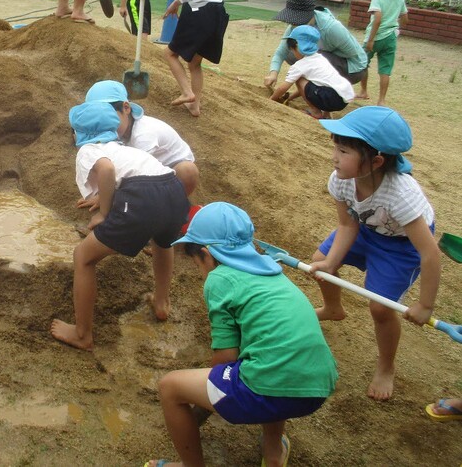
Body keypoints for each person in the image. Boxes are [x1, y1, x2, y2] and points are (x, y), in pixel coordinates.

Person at [144, 203, 338, 467]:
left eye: (195, 261)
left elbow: (224, 359)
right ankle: (273, 454)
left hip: (271, 385)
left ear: (205, 254)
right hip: (317, 385)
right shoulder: (270, 268)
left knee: (170, 387)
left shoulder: (220, 279)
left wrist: (207, 402)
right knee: (266, 361)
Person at [310, 106, 440, 401]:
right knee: (320, 263)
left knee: (381, 308)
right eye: (335, 147)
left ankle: (386, 367)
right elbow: (346, 224)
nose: (334, 157)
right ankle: (334, 309)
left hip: (401, 245)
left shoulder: (401, 195)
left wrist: (425, 305)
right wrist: (331, 262)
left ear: (376, 161)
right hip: (366, 228)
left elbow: (430, 254)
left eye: (343, 151)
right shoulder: (340, 179)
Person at [51, 101, 190, 351]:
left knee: (82, 256)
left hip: (144, 198)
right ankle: (161, 302)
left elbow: (106, 170)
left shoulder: (89, 150)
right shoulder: (125, 148)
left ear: (78, 134)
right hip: (173, 188)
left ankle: (82, 334)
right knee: (162, 241)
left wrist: (104, 213)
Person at [83, 80, 198, 197]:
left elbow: (138, 172)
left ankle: (172, 203)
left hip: (171, 172)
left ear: (126, 108)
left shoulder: (144, 134)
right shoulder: (117, 131)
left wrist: (105, 195)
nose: (104, 126)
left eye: (109, 118)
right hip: (150, 173)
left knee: (187, 170)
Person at [264, 0, 368, 96]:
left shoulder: (331, 28)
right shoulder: (295, 26)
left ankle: (322, 93)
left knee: (313, 58)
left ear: (310, 15)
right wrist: (273, 73)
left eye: (296, 20)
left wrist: (315, 59)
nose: (293, 24)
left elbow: (355, 55)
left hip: (352, 70)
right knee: (292, 51)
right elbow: (281, 52)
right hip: (326, 59)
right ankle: (310, 88)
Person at [270, 25, 354, 119]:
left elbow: (283, 88)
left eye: (292, 50)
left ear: (297, 47)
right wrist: (290, 97)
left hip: (330, 98)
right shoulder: (320, 58)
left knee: (300, 80)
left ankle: (316, 112)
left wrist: (272, 100)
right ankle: (326, 114)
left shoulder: (300, 65)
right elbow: (306, 89)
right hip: (343, 99)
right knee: (323, 83)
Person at [362, 0, 408, 106]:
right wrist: (396, 29)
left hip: (375, 37)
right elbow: (405, 18)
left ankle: (363, 91)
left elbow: (377, 19)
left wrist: (370, 40)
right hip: (391, 38)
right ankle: (381, 100)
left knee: (363, 63)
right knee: (385, 70)